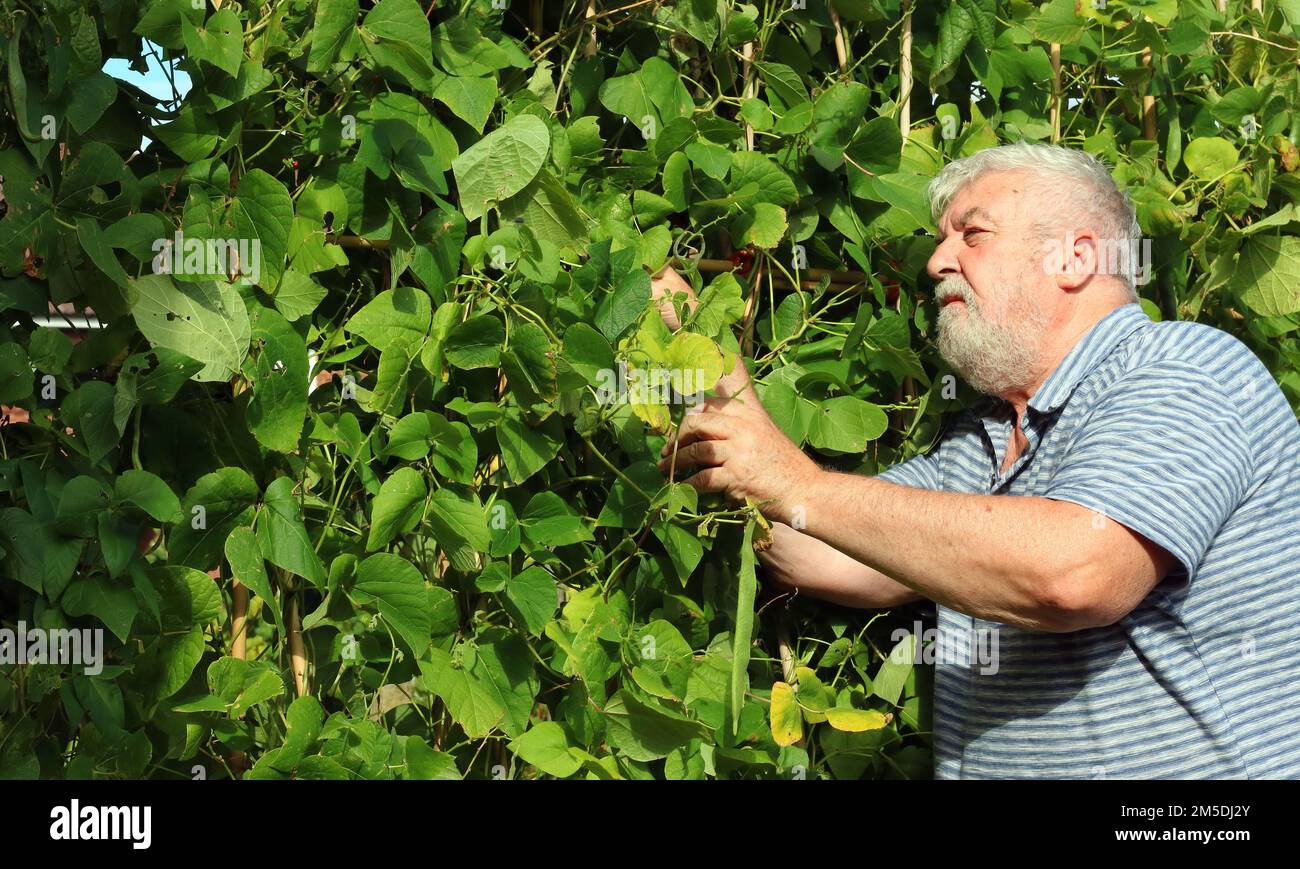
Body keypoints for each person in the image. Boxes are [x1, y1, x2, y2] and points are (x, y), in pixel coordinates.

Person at [648, 141, 1300, 779]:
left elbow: (1074, 572)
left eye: (972, 233)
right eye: (941, 238)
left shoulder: (1185, 369)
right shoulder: (980, 440)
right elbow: (819, 547)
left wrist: (795, 478)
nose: (936, 261)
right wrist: (710, 366)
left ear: (1074, 256)